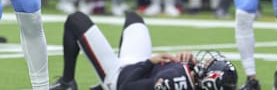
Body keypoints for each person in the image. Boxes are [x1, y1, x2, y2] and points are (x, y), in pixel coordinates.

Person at [48, 11, 238, 90]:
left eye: (209, 65)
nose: (205, 62)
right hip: (138, 66)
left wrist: (150, 62)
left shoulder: (175, 82)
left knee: (76, 20)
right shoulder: (189, 79)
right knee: (134, 19)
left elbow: (126, 87)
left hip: (118, 75)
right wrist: (183, 61)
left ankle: (67, 83)